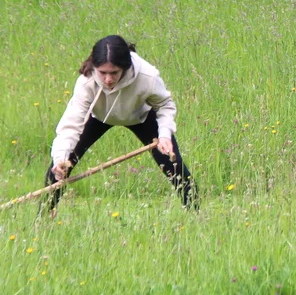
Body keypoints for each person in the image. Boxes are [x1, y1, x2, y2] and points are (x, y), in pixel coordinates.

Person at [44, 35, 196, 213]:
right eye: (102, 73)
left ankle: (196, 214)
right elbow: (71, 123)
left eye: (114, 73)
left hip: (140, 116)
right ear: (94, 67)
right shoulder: (87, 82)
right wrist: (60, 157)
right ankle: (44, 216)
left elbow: (165, 105)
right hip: (99, 116)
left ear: (125, 67)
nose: (108, 79)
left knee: (174, 165)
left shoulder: (148, 76)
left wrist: (164, 135)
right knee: (59, 168)